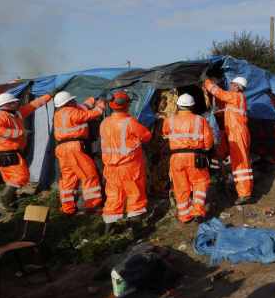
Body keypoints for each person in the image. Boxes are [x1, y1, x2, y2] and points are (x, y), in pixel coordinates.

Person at [0, 91, 52, 209]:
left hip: (6, 153)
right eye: (14, 102)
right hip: (6, 153)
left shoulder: (16, 114)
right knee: (21, 176)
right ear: (7, 104)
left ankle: (10, 202)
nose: (17, 103)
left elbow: (33, 105)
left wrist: (49, 96)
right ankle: (5, 200)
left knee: (11, 179)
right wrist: (21, 133)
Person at [99, 90, 152, 228]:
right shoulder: (129, 122)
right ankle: (136, 227)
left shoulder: (104, 123)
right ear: (127, 104)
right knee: (135, 194)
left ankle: (109, 229)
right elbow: (146, 136)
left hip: (110, 168)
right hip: (129, 167)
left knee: (113, 196)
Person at [163, 93, 214, 223]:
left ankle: (184, 216)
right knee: (201, 182)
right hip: (195, 156)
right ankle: (197, 211)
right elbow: (208, 141)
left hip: (176, 158)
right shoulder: (200, 120)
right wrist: (207, 149)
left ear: (178, 105)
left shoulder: (169, 120)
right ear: (192, 106)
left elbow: (165, 134)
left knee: (180, 187)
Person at [53, 91, 105, 215]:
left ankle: (67, 208)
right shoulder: (72, 112)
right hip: (74, 147)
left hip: (61, 148)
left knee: (68, 178)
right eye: (73, 100)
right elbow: (91, 114)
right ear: (68, 102)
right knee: (89, 175)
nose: (75, 102)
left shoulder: (59, 113)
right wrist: (101, 105)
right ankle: (93, 205)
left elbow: (83, 107)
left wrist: (93, 99)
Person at [203, 76, 253, 205]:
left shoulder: (236, 96)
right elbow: (221, 101)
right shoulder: (234, 98)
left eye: (232, 84)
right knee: (228, 157)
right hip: (233, 132)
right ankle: (234, 184)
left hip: (237, 132)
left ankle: (244, 193)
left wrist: (207, 82)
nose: (230, 85)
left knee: (240, 163)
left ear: (237, 86)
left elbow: (219, 93)